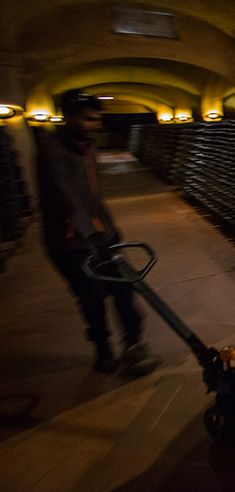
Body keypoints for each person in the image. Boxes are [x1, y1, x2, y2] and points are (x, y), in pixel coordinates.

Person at [36, 89, 159, 375]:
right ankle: (103, 350)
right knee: (91, 297)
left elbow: (93, 199)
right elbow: (65, 197)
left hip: (101, 236)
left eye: (96, 119)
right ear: (69, 118)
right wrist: (91, 236)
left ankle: (133, 345)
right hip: (69, 243)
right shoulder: (52, 151)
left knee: (124, 290)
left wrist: (110, 231)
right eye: (87, 119)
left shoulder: (87, 148)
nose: (93, 125)